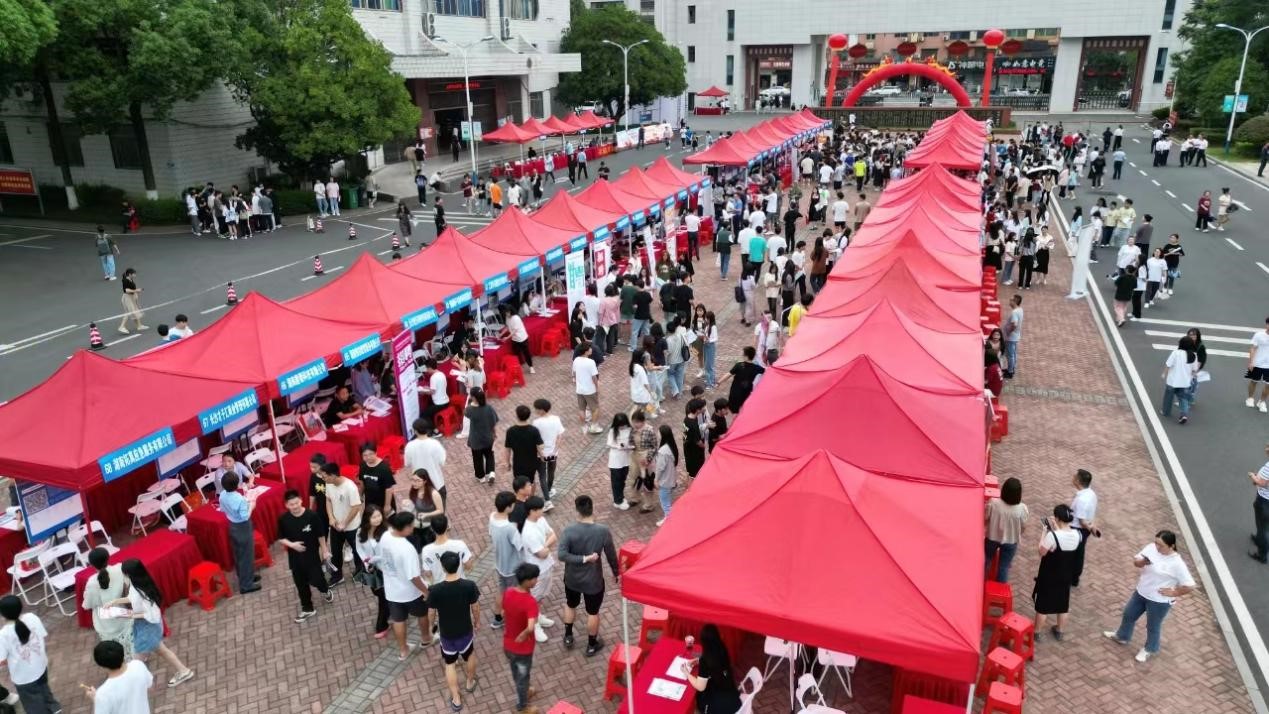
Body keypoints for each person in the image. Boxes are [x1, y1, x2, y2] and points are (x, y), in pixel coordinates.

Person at [1104, 530, 1196, 662]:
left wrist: (1174, 592)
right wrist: (1142, 562)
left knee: (1152, 626)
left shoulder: (1177, 563)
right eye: (1156, 543)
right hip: (1141, 592)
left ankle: (1150, 649)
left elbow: (1190, 586)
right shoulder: (1151, 548)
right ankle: (1122, 636)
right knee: (1128, 614)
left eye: (1161, 545)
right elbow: (1136, 562)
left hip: (1159, 601)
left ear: (1171, 546)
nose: (1157, 547)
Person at [556, 494, 620, 657]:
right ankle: (592, 645)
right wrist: (615, 572)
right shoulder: (603, 531)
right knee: (593, 612)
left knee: (570, 604)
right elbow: (611, 555)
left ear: (577, 510)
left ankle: (568, 636)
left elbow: (562, 555)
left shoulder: (569, 530)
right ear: (592, 508)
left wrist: (580, 559)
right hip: (593, 581)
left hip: (572, 579)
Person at [427, 551, 482, 711]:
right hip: (465, 631)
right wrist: (477, 622)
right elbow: (475, 607)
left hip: (447, 634)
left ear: (443, 567)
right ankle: (470, 682)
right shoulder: (469, 585)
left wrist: (431, 626)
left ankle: (456, 698)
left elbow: (431, 612)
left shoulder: (435, 590)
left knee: (450, 664)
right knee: (469, 655)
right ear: (458, 565)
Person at [380, 511, 434, 660]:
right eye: (411, 526)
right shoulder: (407, 549)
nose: (413, 528)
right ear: (404, 527)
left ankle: (403, 650)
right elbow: (414, 577)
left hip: (392, 590)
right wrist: (425, 591)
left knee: (398, 620)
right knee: (422, 614)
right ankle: (426, 638)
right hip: (410, 592)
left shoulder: (385, 536)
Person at [277, 489, 334, 623]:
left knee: (317, 579)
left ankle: (325, 590)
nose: (295, 506)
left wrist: (325, 550)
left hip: (312, 556)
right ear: (286, 505)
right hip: (295, 558)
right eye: (291, 504)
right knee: (300, 584)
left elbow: (320, 535)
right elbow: (280, 538)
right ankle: (308, 608)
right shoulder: (283, 519)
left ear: (301, 501)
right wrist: (292, 545)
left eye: (296, 503)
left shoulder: (311, 516)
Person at [0, 595, 59, 714]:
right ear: (21, 606)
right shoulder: (32, 617)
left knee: (33, 704)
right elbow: (42, 636)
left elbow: (2, 659)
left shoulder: (4, 634)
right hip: (41, 666)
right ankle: (55, 708)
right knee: (44, 689)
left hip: (24, 678)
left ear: (3, 615)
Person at [1032, 505, 1082, 641]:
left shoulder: (1052, 536)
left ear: (1058, 518)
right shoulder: (1078, 535)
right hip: (1066, 575)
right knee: (1063, 604)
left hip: (1049, 576)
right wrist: (1056, 527)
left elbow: (1041, 552)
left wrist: (1044, 532)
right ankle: (1060, 630)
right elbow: (1066, 539)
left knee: (1043, 605)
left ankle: (1037, 632)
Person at [503, 562, 541, 714]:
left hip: (508, 644)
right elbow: (531, 626)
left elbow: (503, 611)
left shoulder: (508, 592)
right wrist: (524, 634)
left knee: (517, 672)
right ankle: (523, 707)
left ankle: (525, 692)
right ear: (527, 581)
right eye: (534, 578)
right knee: (523, 678)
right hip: (523, 649)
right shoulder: (530, 602)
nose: (536, 580)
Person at [520, 497, 557, 644]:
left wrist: (545, 546)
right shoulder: (528, 532)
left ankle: (538, 616)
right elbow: (541, 554)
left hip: (547, 566)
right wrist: (547, 547)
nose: (543, 510)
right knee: (533, 600)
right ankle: (534, 626)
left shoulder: (541, 520)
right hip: (536, 572)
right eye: (540, 509)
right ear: (532, 511)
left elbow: (553, 535)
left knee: (541, 596)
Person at [682, 623, 742, 714]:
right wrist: (698, 660)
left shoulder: (705, 661)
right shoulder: (722, 648)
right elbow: (716, 663)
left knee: (696, 696)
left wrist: (686, 672)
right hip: (733, 698)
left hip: (718, 706)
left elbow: (700, 687)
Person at [322, 462, 364, 584]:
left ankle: (360, 573)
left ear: (333, 475)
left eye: (325, 476)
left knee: (357, 552)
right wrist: (331, 518)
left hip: (352, 527)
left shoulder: (350, 487)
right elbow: (328, 500)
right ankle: (337, 576)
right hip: (335, 526)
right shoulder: (329, 484)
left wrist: (345, 523)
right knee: (336, 552)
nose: (323, 478)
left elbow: (356, 507)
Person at [220, 473, 261, 594]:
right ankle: (246, 585)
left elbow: (222, 509)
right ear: (236, 484)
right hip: (242, 527)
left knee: (239, 554)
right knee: (246, 555)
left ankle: (246, 576)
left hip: (232, 525)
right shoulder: (240, 500)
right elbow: (245, 516)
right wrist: (252, 505)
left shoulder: (222, 495)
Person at [489, 491, 524, 632]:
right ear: (508, 507)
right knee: (514, 595)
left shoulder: (492, 517)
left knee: (501, 591)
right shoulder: (510, 528)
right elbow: (520, 546)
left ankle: (498, 619)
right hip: (512, 568)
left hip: (499, 564)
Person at [86, 640, 152, 714]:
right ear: (122, 654)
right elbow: (149, 684)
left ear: (102, 666)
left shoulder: (103, 693)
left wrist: (95, 699)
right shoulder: (138, 665)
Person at [984, 477, 1028, 583]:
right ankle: (999, 588)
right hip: (1011, 541)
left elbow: (986, 518)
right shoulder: (1022, 508)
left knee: (986, 560)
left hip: (992, 537)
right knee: (1004, 566)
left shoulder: (993, 503)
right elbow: (1023, 527)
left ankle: (981, 581)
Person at [356, 504, 391, 638]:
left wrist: (374, 559)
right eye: (374, 517)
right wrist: (366, 561)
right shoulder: (360, 532)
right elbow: (359, 548)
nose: (377, 519)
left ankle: (381, 625)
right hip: (371, 571)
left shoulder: (387, 532)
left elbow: (388, 553)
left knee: (383, 597)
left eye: (379, 516)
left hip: (386, 570)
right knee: (379, 593)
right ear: (367, 519)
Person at [405, 417, 448, 508]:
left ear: (415, 431)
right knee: (440, 511)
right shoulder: (435, 444)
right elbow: (442, 461)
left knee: (422, 511)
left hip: (419, 485)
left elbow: (407, 463)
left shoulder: (409, 446)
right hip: (437, 483)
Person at [532, 399, 565, 508]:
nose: (535, 410)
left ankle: (547, 500)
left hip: (541, 453)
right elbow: (560, 436)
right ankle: (549, 490)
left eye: (536, 409)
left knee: (542, 475)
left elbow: (535, 440)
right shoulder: (556, 419)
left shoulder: (536, 423)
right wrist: (555, 450)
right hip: (553, 452)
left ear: (542, 410)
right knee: (551, 472)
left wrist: (540, 454)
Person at [504, 405, 544, 484]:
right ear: (528, 416)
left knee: (519, 483)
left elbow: (507, 449)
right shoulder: (534, 430)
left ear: (517, 416)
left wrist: (507, 463)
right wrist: (543, 458)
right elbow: (540, 447)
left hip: (518, 464)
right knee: (530, 482)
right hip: (531, 463)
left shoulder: (511, 431)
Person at [1162, 336, 1196, 424]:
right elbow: (1194, 370)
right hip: (1185, 382)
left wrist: (1164, 374)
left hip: (1173, 381)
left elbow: (1168, 364)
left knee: (1168, 397)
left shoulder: (1176, 353)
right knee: (1183, 399)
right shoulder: (1193, 355)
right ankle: (1183, 414)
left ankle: (1166, 411)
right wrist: (1192, 378)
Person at [572, 343, 602, 434]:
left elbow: (574, 373)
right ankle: (594, 427)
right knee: (595, 408)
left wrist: (577, 382)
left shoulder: (576, 360)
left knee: (582, 409)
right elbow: (594, 377)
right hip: (590, 389)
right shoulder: (591, 362)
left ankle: (583, 425)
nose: (591, 349)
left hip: (579, 389)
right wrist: (597, 387)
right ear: (586, 352)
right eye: (589, 349)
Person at [654, 424, 680, 526]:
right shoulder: (671, 446)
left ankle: (668, 520)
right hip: (671, 478)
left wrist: (656, 479)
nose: (657, 433)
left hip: (665, 480)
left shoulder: (663, 451)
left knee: (665, 501)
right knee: (667, 498)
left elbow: (660, 468)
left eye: (659, 432)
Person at [728, 346, 765, 413]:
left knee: (735, 411)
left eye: (743, 353)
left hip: (735, 392)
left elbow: (728, 374)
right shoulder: (756, 368)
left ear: (746, 356)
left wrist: (719, 382)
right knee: (744, 409)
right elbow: (765, 370)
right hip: (746, 392)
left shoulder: (738, 365)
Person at [1248, 443, 1269, 564]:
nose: (1266, 448)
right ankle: (1259, 539)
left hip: (1264, 501)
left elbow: (1262, 483)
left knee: (1263, 528)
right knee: (1263, 526)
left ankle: (1262, 555)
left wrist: (1253, 476)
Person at [683, 398, 706, 479]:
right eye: (702, 407)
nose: (704, 408)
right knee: (696, 470)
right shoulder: (693, 424)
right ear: (698, 410)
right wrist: (703, 446)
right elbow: (698, 442)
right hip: (694, 451)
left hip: (687, 447)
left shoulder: (687, 418)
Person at [117, 267, 146, 334]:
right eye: (134, 274)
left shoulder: (130, 279)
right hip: (127, 298)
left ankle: (139, 326)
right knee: (129, 312)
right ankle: (122, 326)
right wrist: (136, 290)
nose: (135, 275)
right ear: (130, 274)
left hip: (131, 297)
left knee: (134, 311)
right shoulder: (126, 281)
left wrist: (135, 293)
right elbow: (126, 290)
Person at [1001, 294, 1023, 379]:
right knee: (1013, 354)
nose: (1009, 301)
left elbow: (1014, 324)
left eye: (1011, 300)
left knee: (1010, 355)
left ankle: (1010, 372)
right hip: (1015, 336)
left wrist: (1008, 332)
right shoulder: (1020, 310)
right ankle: (1012, 368)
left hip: (1011, 337)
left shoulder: (1014, 312)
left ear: (1014, 302)